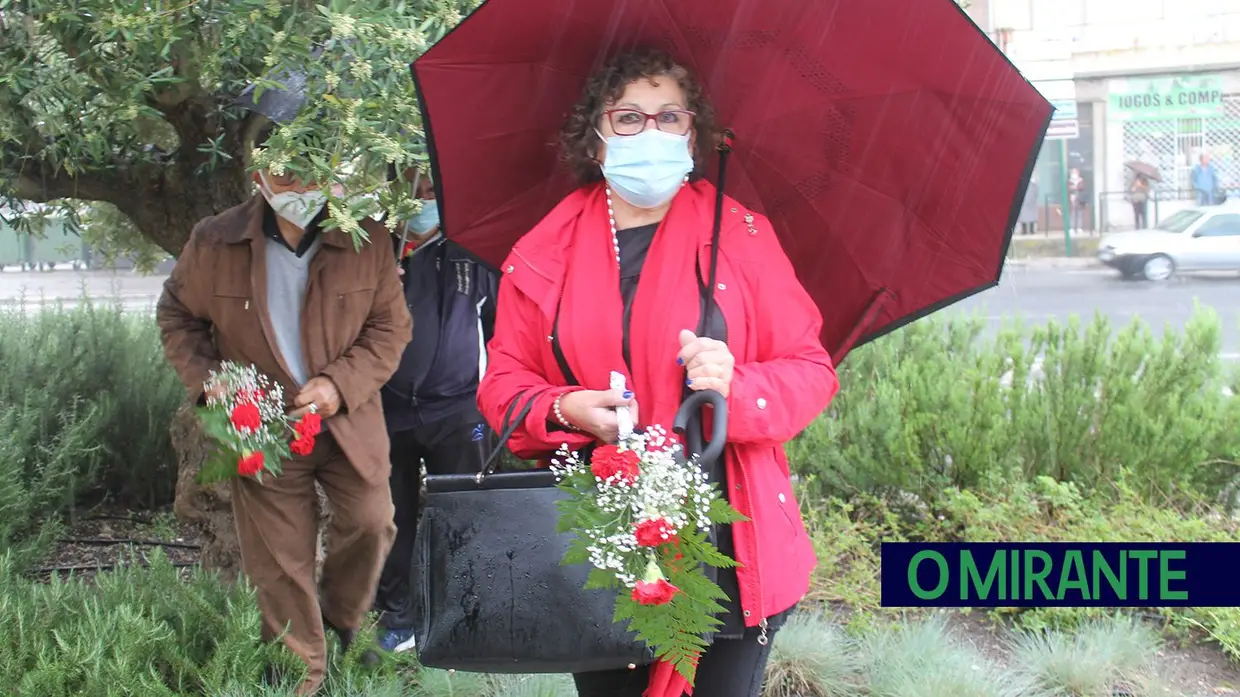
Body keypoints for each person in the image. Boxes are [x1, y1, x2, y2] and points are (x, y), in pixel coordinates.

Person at [475, 48, 840, 697]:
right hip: (603, 543)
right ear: (596, 135)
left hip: (729, 547)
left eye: (669, 116)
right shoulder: (541, 252)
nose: (651, 133)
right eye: (629, 117)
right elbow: (502, 388)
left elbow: (811, 370)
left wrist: (737, 383)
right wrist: (563, 408)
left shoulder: (744, 236)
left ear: (694, 133)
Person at [156, 118, 412, 695]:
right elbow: (177, 316)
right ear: (258, 175)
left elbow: (390, 330)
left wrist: (337, 384)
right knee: (279, 558)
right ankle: (303, 676)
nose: (299, 181)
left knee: (373, 524)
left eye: (312, 167)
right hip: (262, 426)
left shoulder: (366, 237)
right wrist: (210, 382)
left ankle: (341, 622)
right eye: (285, 167)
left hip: (346, 422)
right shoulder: (214, 241)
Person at [372, 167, 499, 652]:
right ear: (396, 179)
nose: (426, 189)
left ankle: (466, 615)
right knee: (389, 517)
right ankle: (397, 618)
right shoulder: (377, 243)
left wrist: (499, 403)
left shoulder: (472, 245)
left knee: (466, 513)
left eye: (434, 179)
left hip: (459, 408)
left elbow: (500, 328)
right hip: (385, 408)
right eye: (415, 177)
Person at [1068, 168, 1088, 232]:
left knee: (1079, 213)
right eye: (1073, 173)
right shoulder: (1069, 181)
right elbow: (1068, 188)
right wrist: (1074, 187)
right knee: (1072, 214)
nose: (1074, 174)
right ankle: (1072, 227)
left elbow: (1082, 187)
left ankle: (1079, 227)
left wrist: (1075, 187)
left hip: (1080, 199)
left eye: (1075, 172)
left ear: (1078, 173)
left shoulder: (1081, 180)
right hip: (1072, 199)